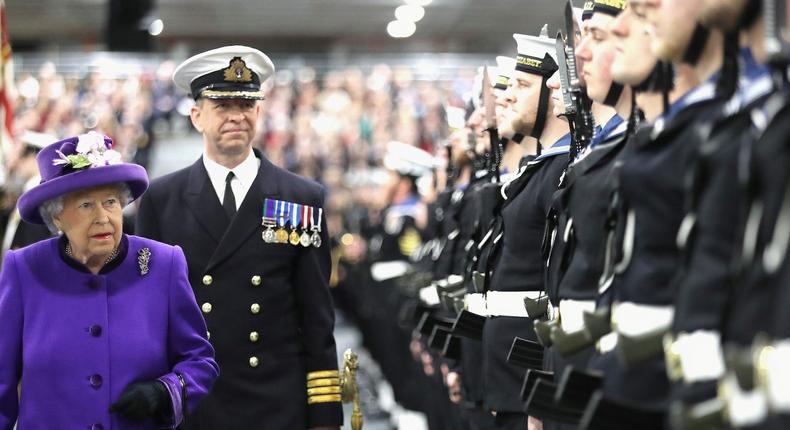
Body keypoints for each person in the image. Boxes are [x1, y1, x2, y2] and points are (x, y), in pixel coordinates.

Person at [135, 45, 343, 430]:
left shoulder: (300, 197)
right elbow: (149, 316)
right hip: (196, 402)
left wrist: (325, 416)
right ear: (197, 116)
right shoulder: (161, 200)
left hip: (277, 402)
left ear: (259, 113)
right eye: (221, 105)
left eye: (246, 105)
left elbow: (317, 318)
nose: (236, 116)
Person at [0, 131, 219, 429]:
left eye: (111, 201)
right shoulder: (24, 268)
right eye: (86, 205)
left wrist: (165, 391)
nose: (103, 217)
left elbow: (200, 360)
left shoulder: (163, 264)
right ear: (57, 217)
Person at [1, 131, 57, 259]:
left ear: (34, 158)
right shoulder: (27, 192)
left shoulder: (41, 199)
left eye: (20, 156)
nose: (15, 162)